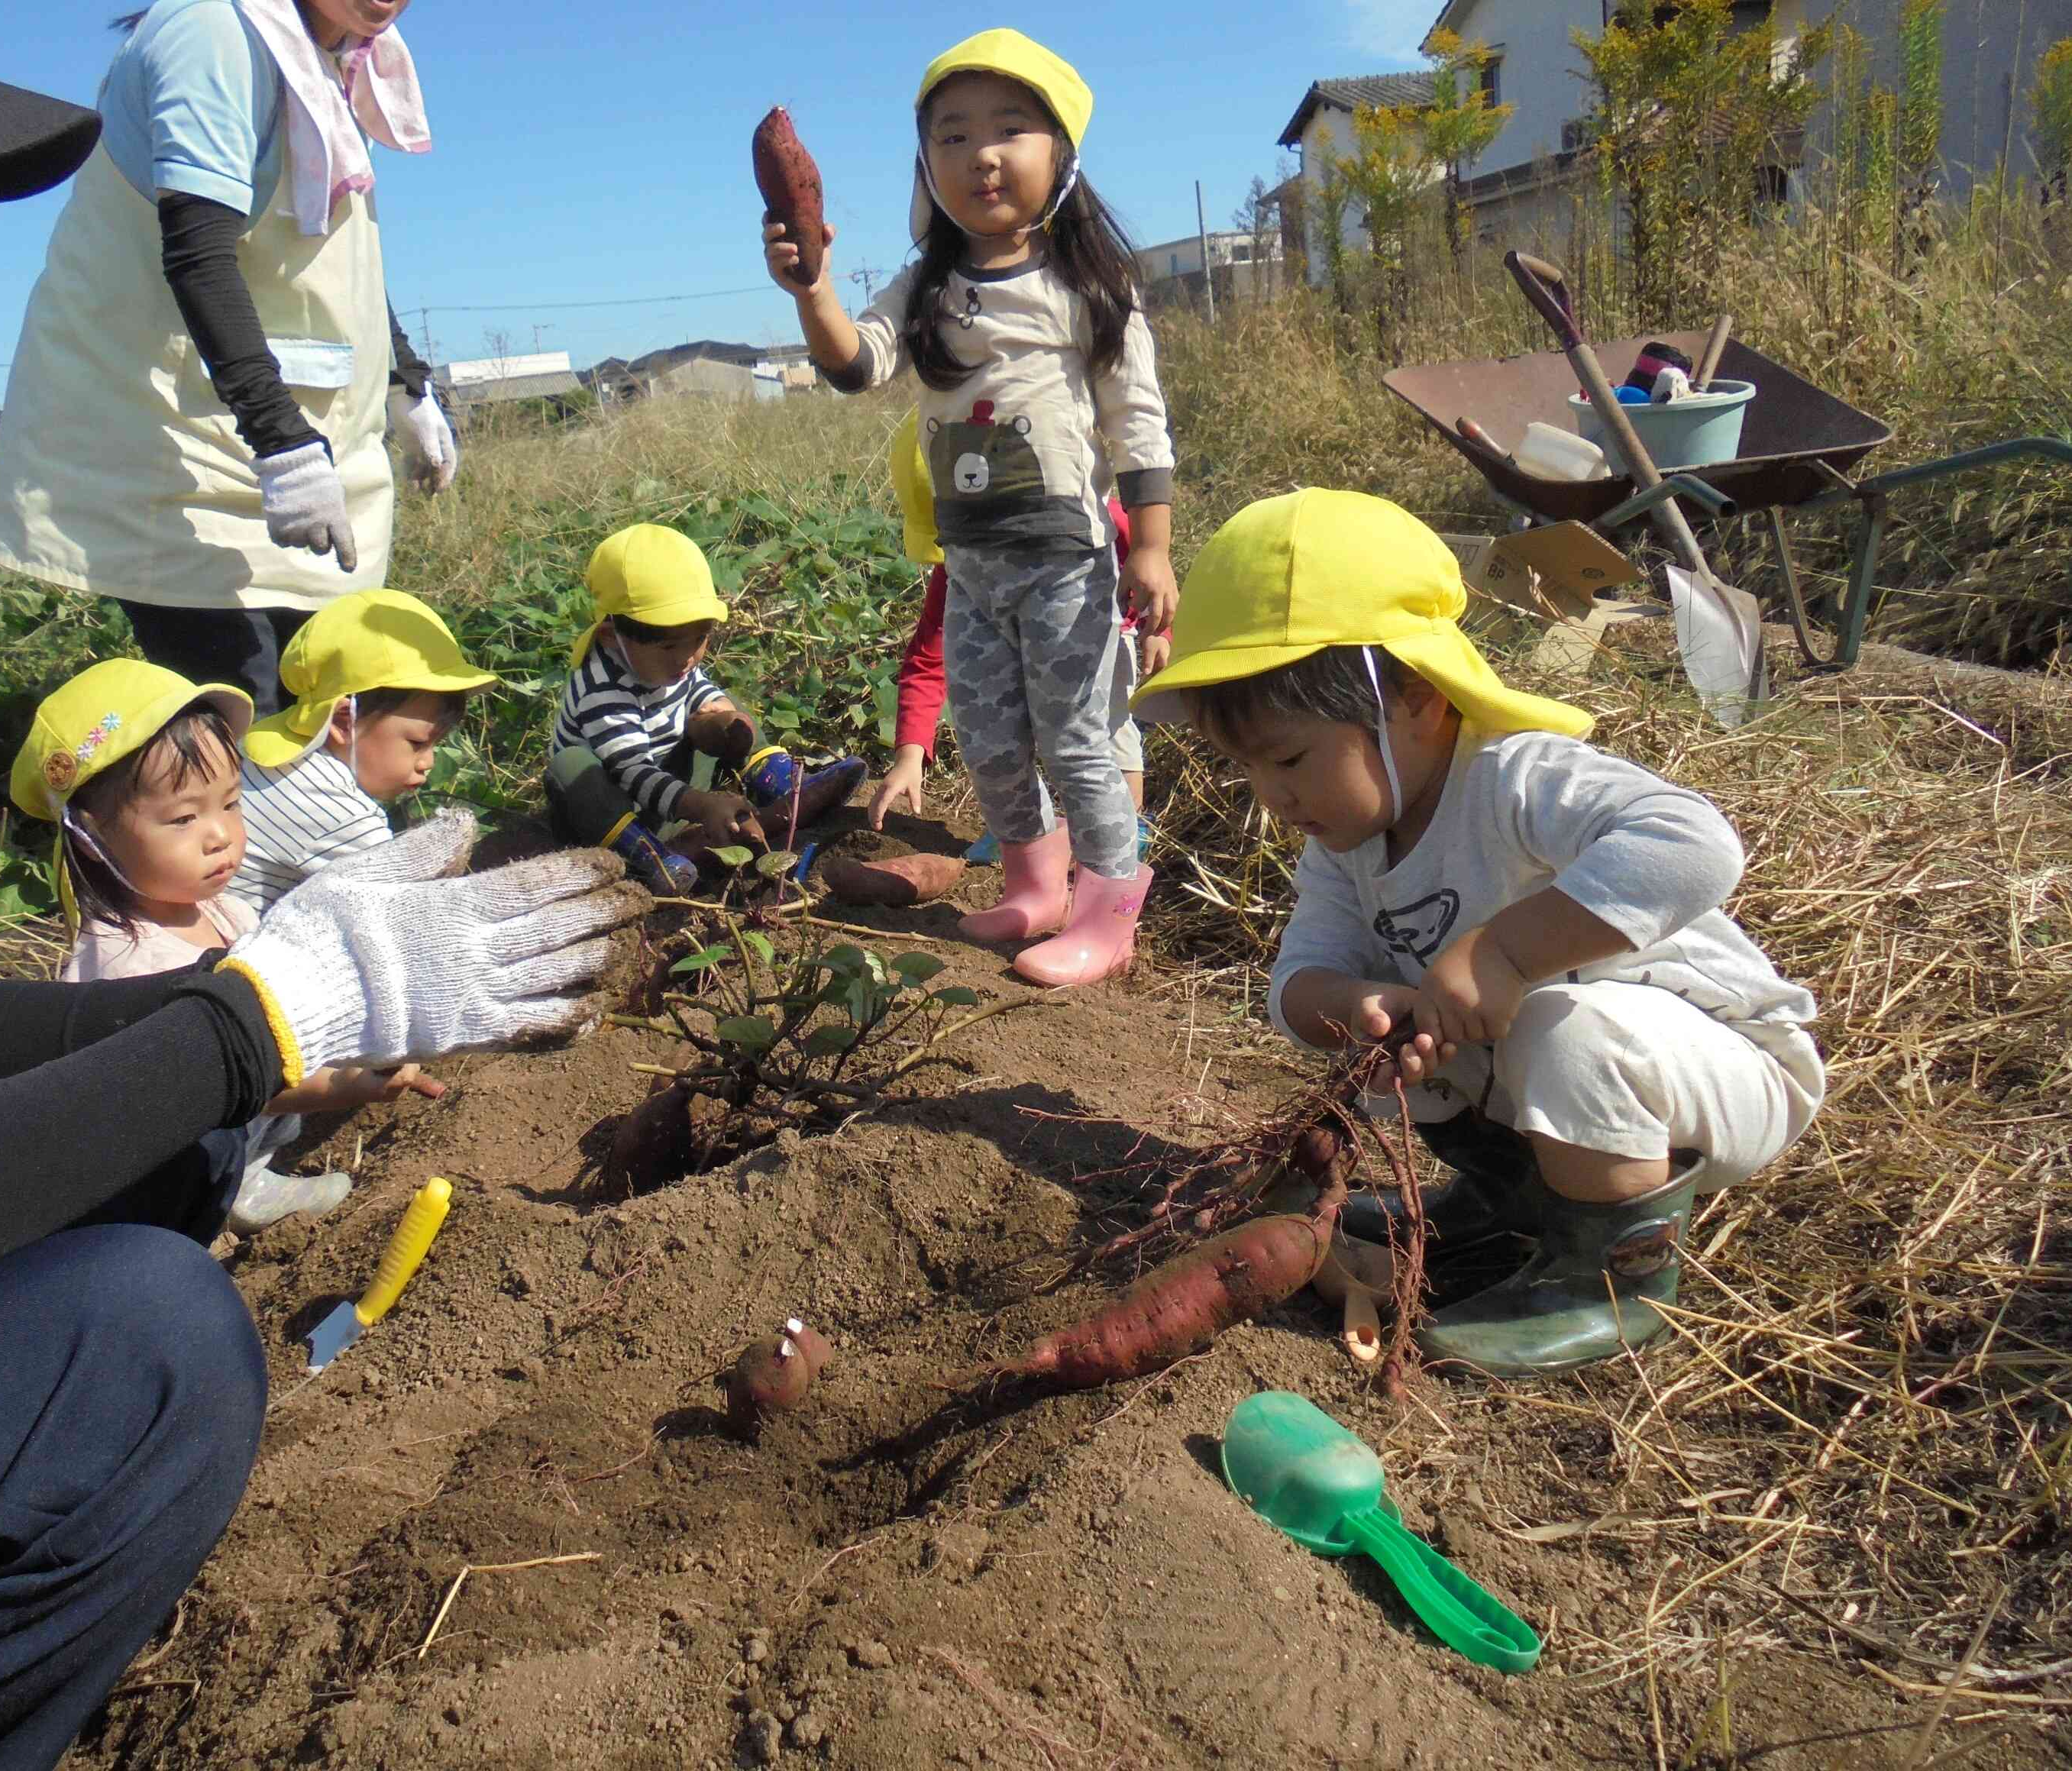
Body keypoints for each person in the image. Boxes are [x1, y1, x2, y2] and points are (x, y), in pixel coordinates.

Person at [0, 12, 641, 1761]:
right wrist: (249, 1021)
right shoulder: (214, 37)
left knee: (142, 1220)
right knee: (136, 1347)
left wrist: (275, 1000)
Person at [1133, 490, 1826, 1376]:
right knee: (1419, 1027)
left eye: (1290, 759)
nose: (1272, 796)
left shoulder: (1513, 777)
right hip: (1570, 1078)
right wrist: (1357, 1005)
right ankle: (1516, 1205)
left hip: (1723, 1068)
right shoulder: (1347, 848)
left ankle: (1607, 1282)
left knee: (1557, 1026)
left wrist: (1505, 951)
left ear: (1414, 700)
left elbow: (1695, 846)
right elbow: (1297, 980)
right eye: (1248, 770)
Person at [768, 28, 1177, 988]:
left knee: (1079, 742)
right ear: (925, 163)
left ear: (1060, 156)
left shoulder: (1087, 285)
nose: (979, 155)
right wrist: (810, 286)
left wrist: (1150, 549)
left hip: (1068, 560)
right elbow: (855, 364)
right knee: (991, 741)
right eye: (950, 137)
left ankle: (1108, 910)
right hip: (971, 569)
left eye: (1008, 129)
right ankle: (1035, 886)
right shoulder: (927, 288)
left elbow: (1138, 427)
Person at [0, 0, 458, 713]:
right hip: (178, 443)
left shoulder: (327, 59)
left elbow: (328, 256)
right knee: (251, 709)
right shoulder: (211, 33)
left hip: (274, 438)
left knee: (326, 707)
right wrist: (282, 443)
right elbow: (199, 252)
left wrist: (406, 385)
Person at [15, 658, 447, 1232]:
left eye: (231, 803)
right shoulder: (132, 966)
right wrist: (341, 1086)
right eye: (184, 818)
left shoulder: (224, 909)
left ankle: (249, 1170)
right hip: (170, 1159)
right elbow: (220, 1078)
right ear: (92, 840)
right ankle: (227, 1193)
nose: (220, 834)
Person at [867, 406, 1165, 866]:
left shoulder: (1092, 516)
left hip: (1095, 630)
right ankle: (1028, 835)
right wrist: (909, 753)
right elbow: (928, 659)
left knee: (1102, 733)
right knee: (1002, 724)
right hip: (1008, 640)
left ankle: (1121, 829)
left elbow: (1150, 568)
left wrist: (1157, 627)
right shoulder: (961, 572)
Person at [547, 522, 867, 893]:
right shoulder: (600, 689)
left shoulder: (662, 658)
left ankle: (786, 792)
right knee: (571, 766)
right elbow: (633, 773)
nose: (687, 659)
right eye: (670, 647)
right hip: (614, 813)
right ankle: (651, 859)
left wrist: (721, 719)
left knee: (732, 710)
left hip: (674, 790)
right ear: (611, 636)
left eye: (699, 640)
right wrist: (701, 806)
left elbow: (699, 690)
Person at [228, 587, 496, 910]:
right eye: (417, 743)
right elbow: (403, 911)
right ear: (343, 721)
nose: (428, 762)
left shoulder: (281, 751)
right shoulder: (340, 815)